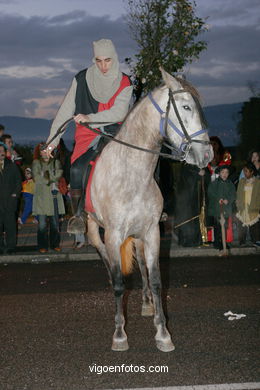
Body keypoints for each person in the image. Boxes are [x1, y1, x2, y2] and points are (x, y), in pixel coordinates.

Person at [44, 39, 133, 234]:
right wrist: (52, 142)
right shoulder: (81, 79)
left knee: (145, 157)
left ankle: (151, 204)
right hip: (88, 135)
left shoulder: (125, 81)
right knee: (76, 169)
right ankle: (78, 215)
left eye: (107, 60)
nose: (103, 66)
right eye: (99, 61)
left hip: (116, 133)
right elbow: (65, 112)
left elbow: (119, 112)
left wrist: (89, 118)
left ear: (114, 58)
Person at [32, 143, 65, 253]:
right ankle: (42, 245)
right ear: (40, 152)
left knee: (55, 223)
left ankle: (55, 244)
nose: (44, 152)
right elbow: (36, 177)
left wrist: (46, 176)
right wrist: (49, 179)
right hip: (41, 198)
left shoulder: (56, 162)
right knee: (42, 225)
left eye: (46, 149)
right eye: (42, 150)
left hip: (54, 197)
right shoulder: (36, 163)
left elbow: (59, 173)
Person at [207, 165, 236, 254]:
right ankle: (218, 243)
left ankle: (224, 242)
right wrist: (218, 198)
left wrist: (229, 200)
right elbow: (210, 193)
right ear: (219, 173)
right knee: (217, 226)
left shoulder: (230, 184)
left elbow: (233, 194)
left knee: (225, 226)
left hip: (226, 209)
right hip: (216, 209)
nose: (225, 174)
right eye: (223, 172)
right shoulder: (214, 183)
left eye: (226, 172)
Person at [0, 142, 22, 254]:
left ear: (5, 153)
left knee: (10, 225)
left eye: (2, 151)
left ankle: (11, 246)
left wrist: (15, 195)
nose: (1, 153)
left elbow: (18, 182)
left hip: (10, 200)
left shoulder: (12, 166)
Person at [236, 162, 260, 247]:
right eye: (244, 171)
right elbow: (238, 193)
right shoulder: (242, 181)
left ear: (252, 171)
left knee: (255, 224)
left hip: (253, 206)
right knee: (242, 224)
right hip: (243, 206)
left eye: (246, 171)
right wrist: (238, 204)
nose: (244, 173)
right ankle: (242, 241)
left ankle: (256, 240)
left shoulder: (257, 182)